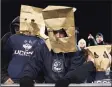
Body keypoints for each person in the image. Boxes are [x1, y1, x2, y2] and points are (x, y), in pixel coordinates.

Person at [20, 5, 95, 87]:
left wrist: (66, 80)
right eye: (55, 32)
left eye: (61, 32)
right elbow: (33, 65)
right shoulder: (43, 48)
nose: (58, 36)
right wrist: (27, 77)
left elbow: (75, 69)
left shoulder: (74, 50)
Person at [1, 5, 46, 84]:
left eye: (20, 27)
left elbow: (43, 65)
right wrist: (4, 78)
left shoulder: (41, 41)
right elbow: (2, 60)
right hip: (10, 80)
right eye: (16, 28)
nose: (19, 31)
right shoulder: (8, 38)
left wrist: (38, 80)